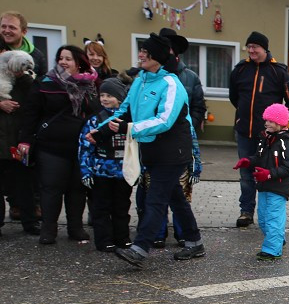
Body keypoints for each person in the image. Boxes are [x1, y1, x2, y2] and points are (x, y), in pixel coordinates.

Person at [106, 33, 205, 267]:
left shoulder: (171, 84)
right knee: (176, 198)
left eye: (146, 52)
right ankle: (194, 242)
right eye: (141, 51)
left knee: (156, 199)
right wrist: (100, 130)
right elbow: (125, 110)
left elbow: (164, 120)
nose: (140, 55)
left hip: (172, 153)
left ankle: (140, 248)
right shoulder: (141, 79)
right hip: (152, 150)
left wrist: (130, 128)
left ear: (157, 58)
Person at [18, 44, 98, 245]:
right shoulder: (46, 82)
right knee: (51, 189)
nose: (63, 62)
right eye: (60, 58)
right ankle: (49, 229)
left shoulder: (91, 85)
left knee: (77, 190)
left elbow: (96, 112)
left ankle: (75, 228)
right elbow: (31, 113)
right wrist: (25, 139)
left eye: (68, 58)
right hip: (51, 147)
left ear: (79, 63)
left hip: (80, 148)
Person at [229, 31, 289, 228]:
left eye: (255, 47)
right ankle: (246, 211)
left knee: (268, 172)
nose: (251, 50)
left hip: (269, 135)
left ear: (264, 49)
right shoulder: (240, 70)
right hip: (244, 131)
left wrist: (279, 122)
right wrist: (244, 116)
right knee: (246, 173)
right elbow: (234, 97)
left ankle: (268, 214)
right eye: (248, 46)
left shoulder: (278, 71)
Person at [78, 78, 132, 252]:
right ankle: (104, 240)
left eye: (109, 95)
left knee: (122, 208)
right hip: (101, 172)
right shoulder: (95, 120)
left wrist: (141, 169)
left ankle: (122, 238)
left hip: (124, 172)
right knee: (101, 209)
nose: (105, 99)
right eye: (102, 95)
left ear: (120, 98)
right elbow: (85, 147)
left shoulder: (128, 120)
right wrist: (86, 172)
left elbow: (137, 146)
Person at [246, 104, 289, 260]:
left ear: (280, 123)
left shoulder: (286, 144)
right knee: (262, 218)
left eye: (271, 121)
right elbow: (259, 157)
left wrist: (269, 174)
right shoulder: (265, 139)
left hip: (278, 187)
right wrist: (248, 161)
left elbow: (288, 169)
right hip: (263, 186)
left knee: (273, 217)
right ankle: (278, 239)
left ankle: (272, 250)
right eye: (266, 120)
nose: (267, 123)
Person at [0, 46, 38, 236]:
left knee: (24, 185)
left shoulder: (24, 80)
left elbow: (35, 98)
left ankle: (29, 222)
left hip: (18, 140)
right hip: (1, 140)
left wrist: (21, 75)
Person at [0, 11, 46, 77]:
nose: (7, 30)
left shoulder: (37, 56)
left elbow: (42, 83)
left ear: (24, 32)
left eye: (12, 27)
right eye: (3, 26)